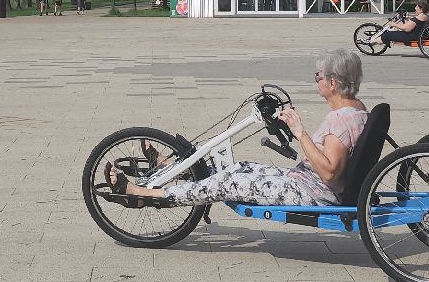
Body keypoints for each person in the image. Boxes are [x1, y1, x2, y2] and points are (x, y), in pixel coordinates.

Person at [107, 49, 368, 208]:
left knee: (226, 182)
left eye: (318, 76)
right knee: (236, 167)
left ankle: (141, 194)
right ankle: (170, 167)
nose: (316, 80)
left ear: (333, 83)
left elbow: (330, 173)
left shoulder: (340, 119)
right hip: (303, 181)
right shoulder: (356, 110)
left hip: (311, 192)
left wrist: (299, 132)